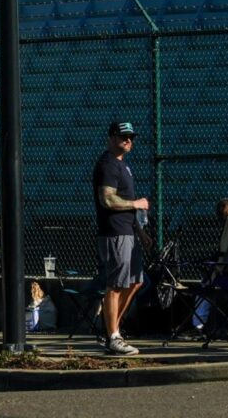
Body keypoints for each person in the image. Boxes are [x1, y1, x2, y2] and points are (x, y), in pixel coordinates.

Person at [94, 120, 149, 356]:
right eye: (123, 136)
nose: (128, 140)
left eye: (131, 137)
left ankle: (112, 330)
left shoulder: (123, 166)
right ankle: (113, 336)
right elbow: (107, 199)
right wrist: (136, 204)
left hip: (128, 231)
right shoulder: (108, 165)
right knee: (116, 284)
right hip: (115, 232)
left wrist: (141, 232)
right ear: (111, 137)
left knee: (136, 281)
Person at [188, 198, 228, 334]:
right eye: (222, 216)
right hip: (225, 272)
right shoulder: (227, 230)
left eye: (227, 216)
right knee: (204, 286)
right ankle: (199, 325)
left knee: (207, 285)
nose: (225, 219)